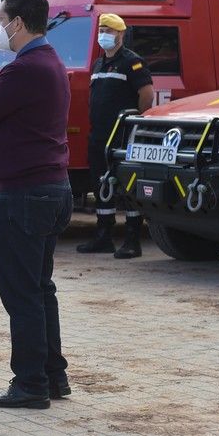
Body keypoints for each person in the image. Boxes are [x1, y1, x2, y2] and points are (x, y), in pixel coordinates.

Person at [0, 0, 73, 409]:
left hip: (24, 196)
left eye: (0, 17)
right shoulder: (48, 62)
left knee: (23, 294)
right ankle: (52, 376)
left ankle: (30, 384)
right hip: (49, 190)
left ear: (16, 22)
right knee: (39, 288)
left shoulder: (25, 68)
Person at [77, 13, 154, 258]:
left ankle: (132, 240)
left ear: (120, 34)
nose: (104, 34)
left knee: (127, 187)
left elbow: (147, 94)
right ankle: (103, 236)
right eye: (102, 29)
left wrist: (134, 123)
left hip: (122, 136)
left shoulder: (132, 62)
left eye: (109, 31)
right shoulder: (99, 64)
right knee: (101, 185)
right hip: (100, 135)